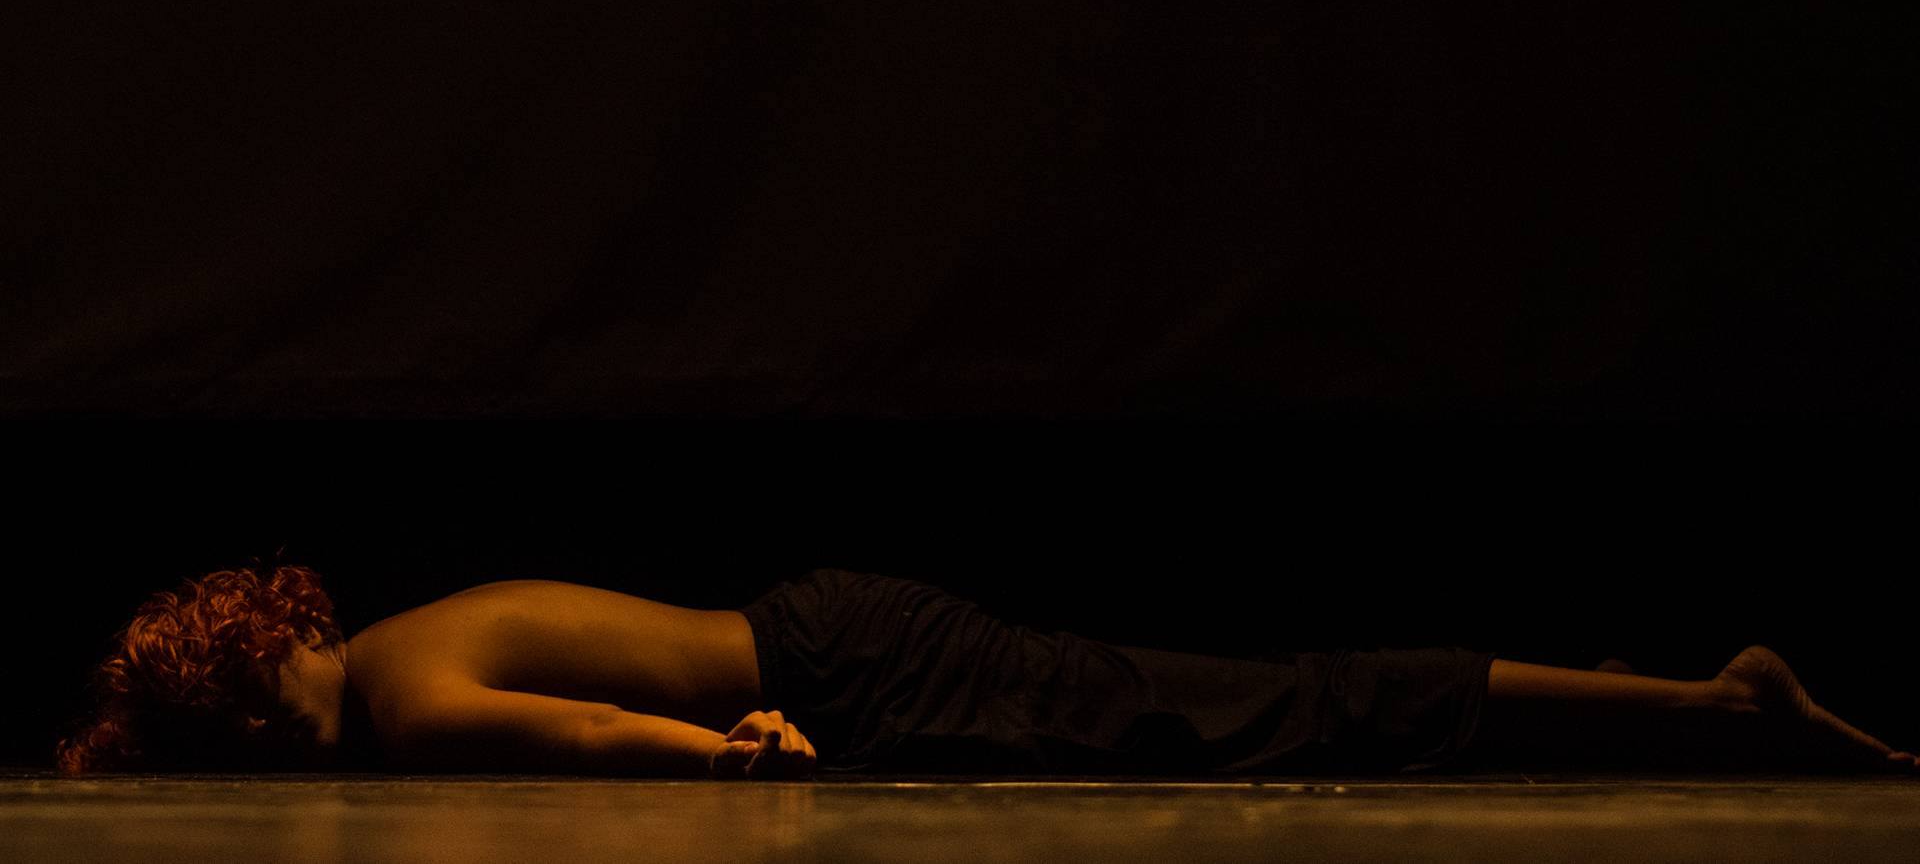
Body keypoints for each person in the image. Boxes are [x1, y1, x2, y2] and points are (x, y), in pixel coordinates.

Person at [55, 562, 1919, 778]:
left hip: (859, 674)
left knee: (1280, 714)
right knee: (1260, 701)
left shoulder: (399, 705)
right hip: (843, 637)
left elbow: (597, 730)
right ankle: (1600, 690)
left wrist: (727, 759)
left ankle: (1708, 698)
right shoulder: (392, 642)